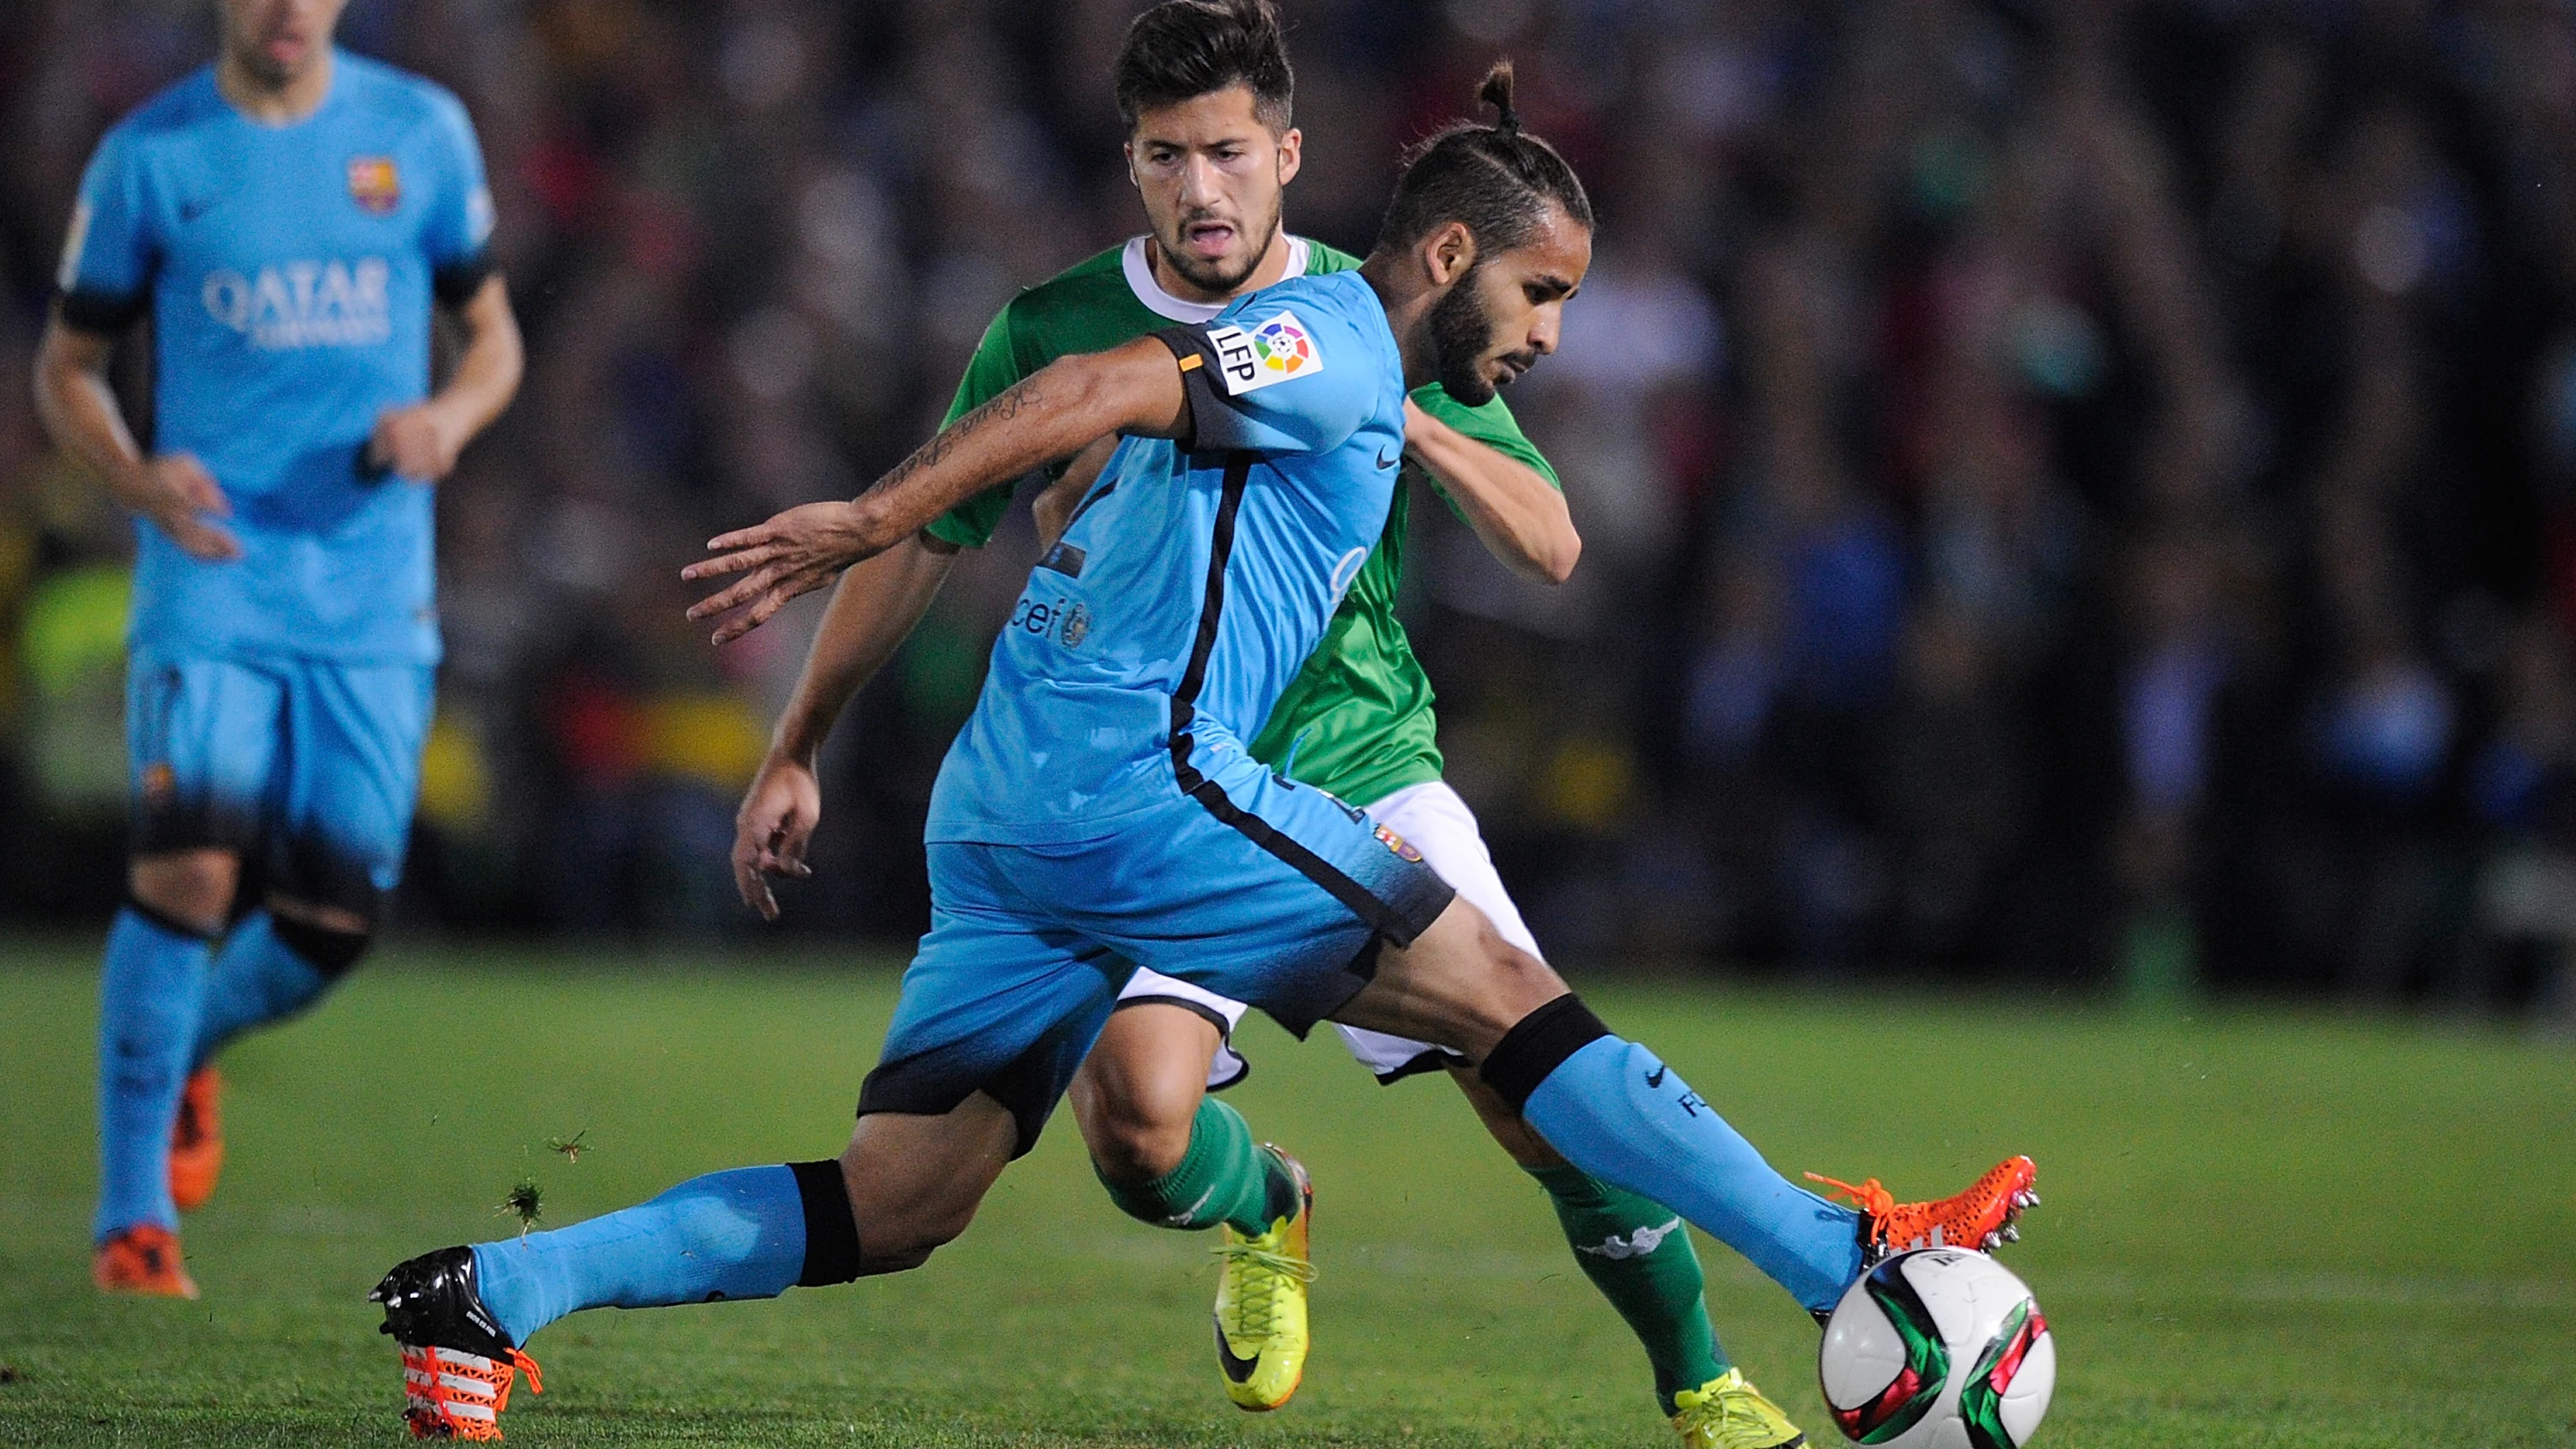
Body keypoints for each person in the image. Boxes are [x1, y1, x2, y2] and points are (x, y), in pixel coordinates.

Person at [371, 65, 2033, 1447]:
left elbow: (1226, 439)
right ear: (1449, 253)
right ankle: (1847, 1261)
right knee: (1509, 1006)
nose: (1546, 334)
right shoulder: (1336, 338)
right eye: (1539, 293)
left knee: (902, 1199)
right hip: (1143, 785)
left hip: (1007, 804)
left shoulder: (1363, 367)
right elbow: (1105, 377)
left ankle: (488, 1298)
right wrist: (878, 514)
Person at [725, 2, 1745, 1438]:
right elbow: (927, 541)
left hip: (1361, 756)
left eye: (1227, 153)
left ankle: (1705, 1381)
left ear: (1284, 156)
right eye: (1166, 156)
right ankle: (1270, 1204)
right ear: (1132, 164)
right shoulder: (1056, 329)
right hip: (1166, 783)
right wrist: (799, 742)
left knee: (1527, 1087)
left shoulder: (1364, 309)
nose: (1202, 188)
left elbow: (1555, 541)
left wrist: (1393, 410)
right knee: (1140, 1137)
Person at [33, 0, 522, 1299]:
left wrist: (448, 421)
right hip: (213, 579)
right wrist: (137, 480)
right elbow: (65, 370)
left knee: (330, 921)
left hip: (371, 597)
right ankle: (134, 1222)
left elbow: (495, 340)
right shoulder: (153, 157)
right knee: (189, 870)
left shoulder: (417, 133)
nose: (286, 8)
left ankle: (180, 1051)